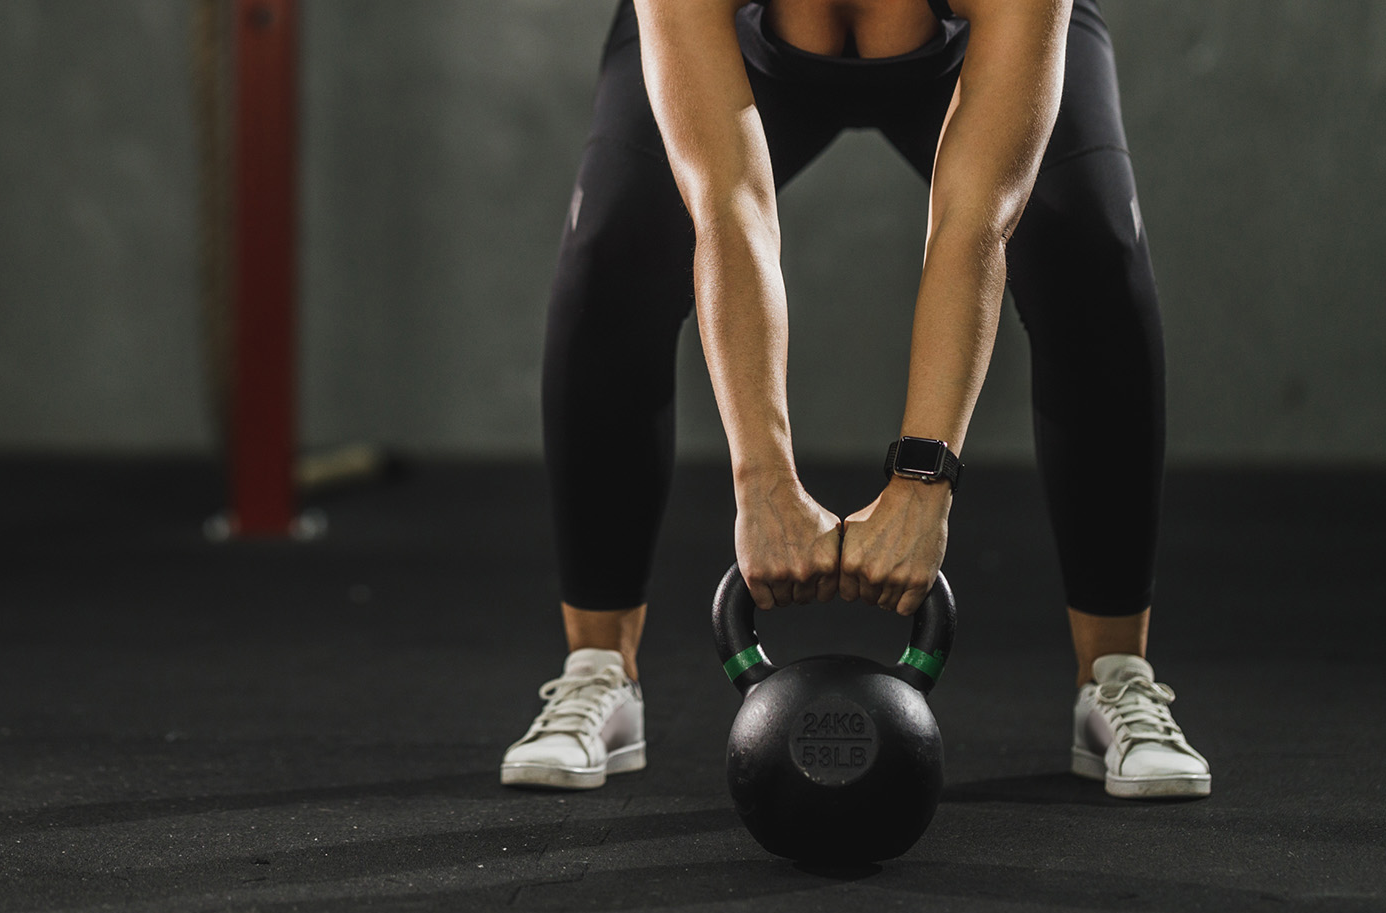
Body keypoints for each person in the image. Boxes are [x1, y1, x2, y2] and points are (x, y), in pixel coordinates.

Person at [501, 0, 1210, 800]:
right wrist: (761, 478)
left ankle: (1117, 676)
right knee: (613, 246)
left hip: (979, 45)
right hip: (736, 48)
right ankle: (599, 670)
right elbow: (730, 207)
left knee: (1093, 246)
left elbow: (974, 222)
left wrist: (923, 481)